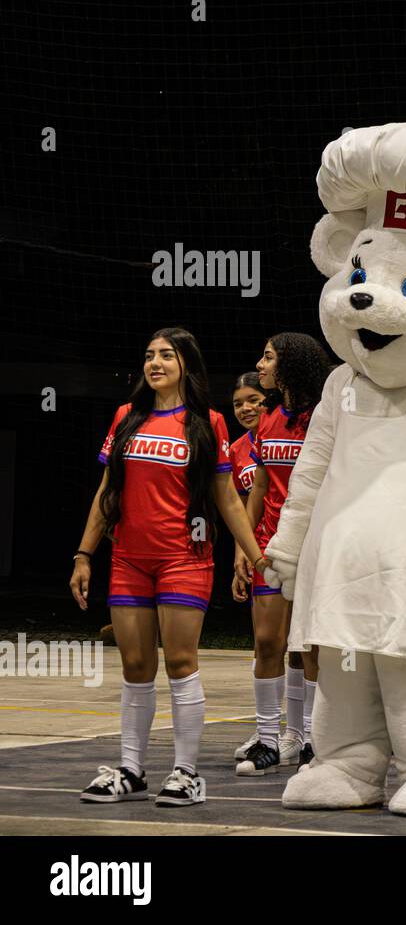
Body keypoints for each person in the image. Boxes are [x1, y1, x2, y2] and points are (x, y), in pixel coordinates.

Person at [72, 327, 269, 806]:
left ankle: (186, 774)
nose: (154, 362)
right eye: (149, 355)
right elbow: (106, 492)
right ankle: (132, 770)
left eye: (166, 355)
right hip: (128, 560)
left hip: (184, 558)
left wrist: (257, 557)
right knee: (135, 665)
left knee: (180, 664)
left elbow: (226, 496)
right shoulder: (126, 417)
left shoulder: (208, 421)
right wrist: (84, 554)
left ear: (186, 364)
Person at [233, 333, 332, 776]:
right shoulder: (268, 420)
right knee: (268, 642)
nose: (261, 364)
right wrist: (244, 544)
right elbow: (258, 487)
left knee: (307, 647)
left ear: (291, 364)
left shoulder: (323, 419)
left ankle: (310, 738)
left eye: (269, 357)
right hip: (270, 550)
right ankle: (270, 740)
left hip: (314, 547)